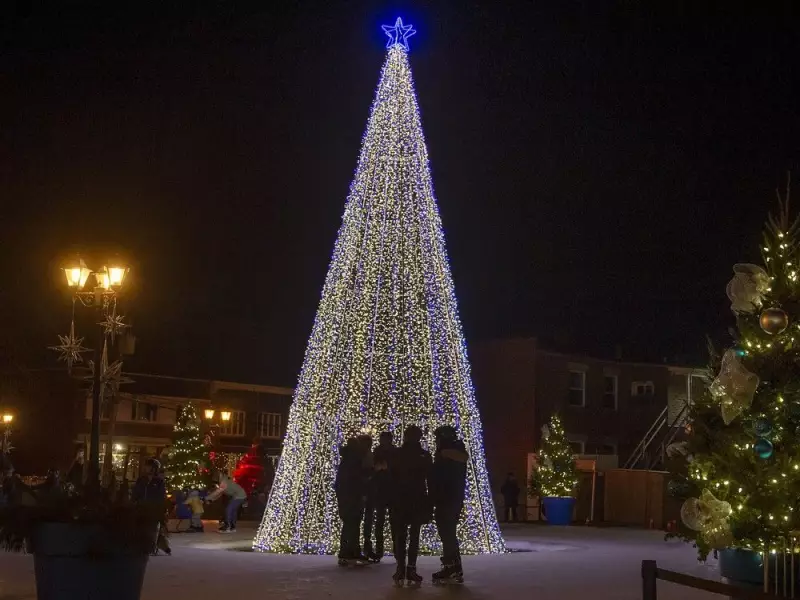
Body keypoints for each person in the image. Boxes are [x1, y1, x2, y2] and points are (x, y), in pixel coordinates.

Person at [389, 425, 431, 586]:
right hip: (416, 498)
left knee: (401, 535)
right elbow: (429, 478)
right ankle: (410, 568)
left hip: (400, 499)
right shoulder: (424, 455)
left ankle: (402, 568)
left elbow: (390, 476)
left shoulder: (397, 454)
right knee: (413, 535)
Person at [431, 425, 468, 583]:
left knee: (448, 533)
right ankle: (452, 566)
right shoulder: (445, 453)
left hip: (449, 498)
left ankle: (452, 567)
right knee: (447, 533)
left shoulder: (451, 450)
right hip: (446, 498)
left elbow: (463, 457)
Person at [335, 437, 368, 565]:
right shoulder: (354, 461)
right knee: (352, 524)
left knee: (350, 525)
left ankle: (350, 551)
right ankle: (348, 552)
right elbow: (357, 480)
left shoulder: (347, 461)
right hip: (352, 498)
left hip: (347, 498)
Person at [363, 431, 395, 562]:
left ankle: (384, 550)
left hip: (387, 490)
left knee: (385, 522)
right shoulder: (378, 452)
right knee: (379, 522)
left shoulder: (390, 452)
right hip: (380, 490)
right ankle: (378, 550)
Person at [132, 458, 171, 555]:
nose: (147, 469)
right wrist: (134, 502)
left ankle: (154, 547)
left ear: (155, 468)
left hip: (154, 510)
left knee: (153, 530)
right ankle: (141, 546)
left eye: (149, 467)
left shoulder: (159, 482)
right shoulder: (141, 480)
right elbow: (135, 493)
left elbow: (161, 497)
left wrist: (163, 511)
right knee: (141, 529)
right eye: (146, 467)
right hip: (141, 508)